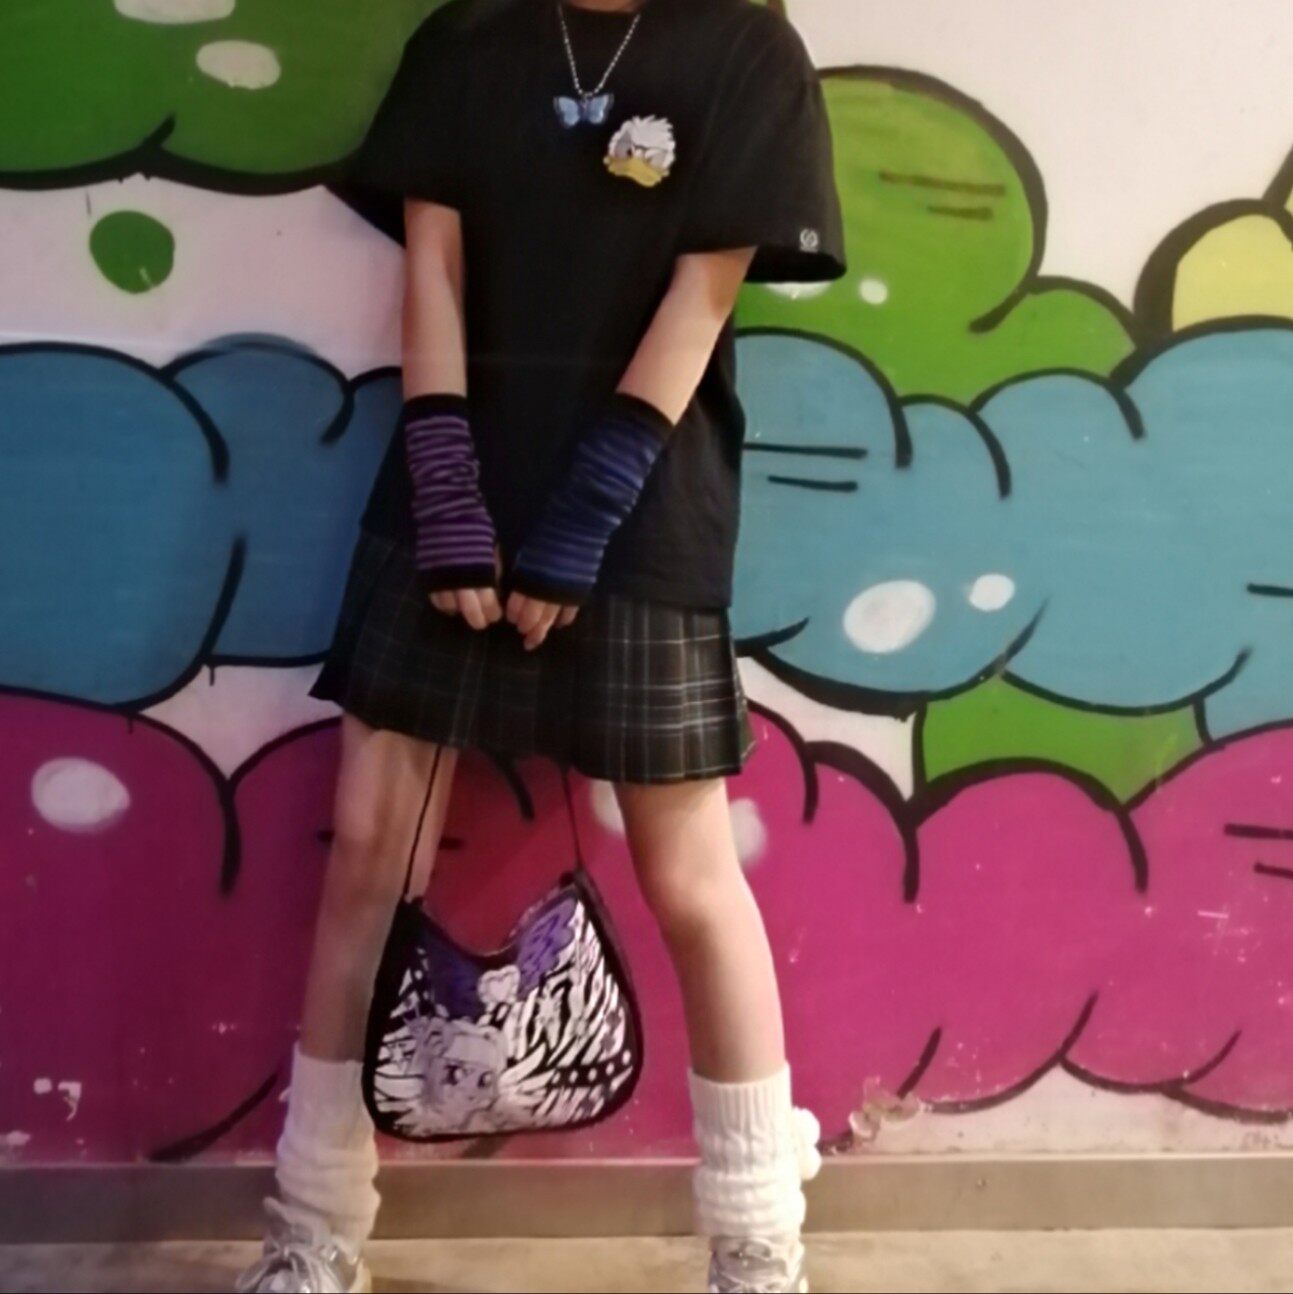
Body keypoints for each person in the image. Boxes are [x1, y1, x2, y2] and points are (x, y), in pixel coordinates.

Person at [236, 0, 844, 1290]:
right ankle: (312, 1228)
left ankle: (757, 1243)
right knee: (368, 853)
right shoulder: (469, 40)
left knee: (690, 877)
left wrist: (587, 511)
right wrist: (448, 485)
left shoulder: (748, 49)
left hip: (645, 504)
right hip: (449, 491)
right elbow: (433, 269)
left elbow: (704, 293)